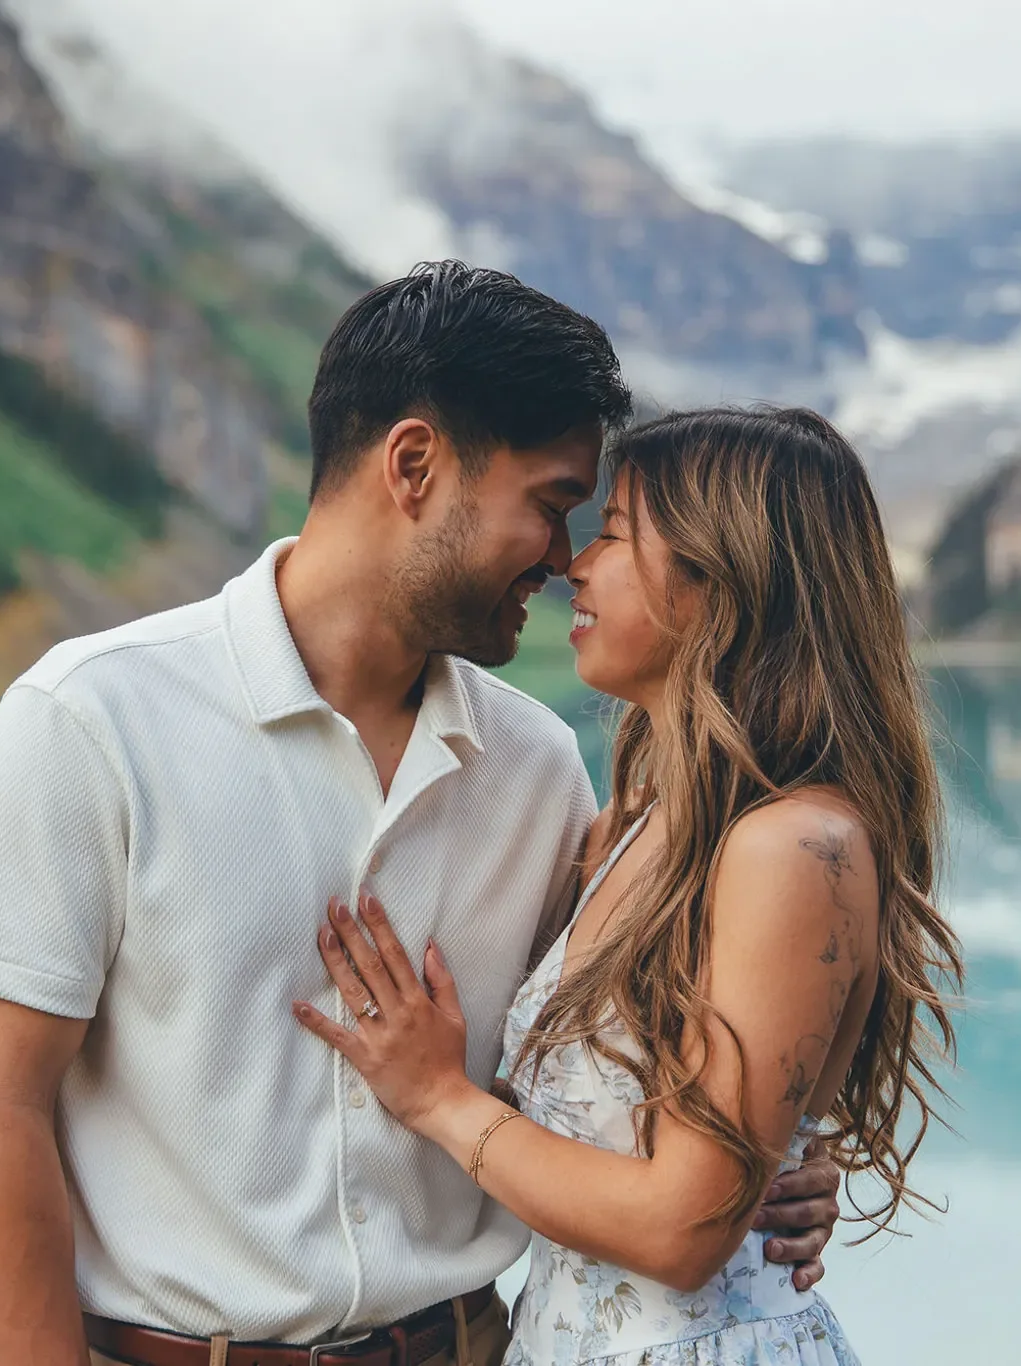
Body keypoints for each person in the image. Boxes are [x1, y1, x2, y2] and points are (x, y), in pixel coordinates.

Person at [0, 264, 843, 1366]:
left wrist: (765, 1160)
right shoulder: (89, 723)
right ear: (413, 466)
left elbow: (606, 1067)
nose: (563, 560)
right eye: (550, 505)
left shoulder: (539, 767)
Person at [293, 407, 964, 1366]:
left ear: (723, 577)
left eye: (612, 533)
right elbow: (611, 1142)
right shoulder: (632, 824)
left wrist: (439, 1098)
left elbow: (682, 1233)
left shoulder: (792, 848)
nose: (575, 565)